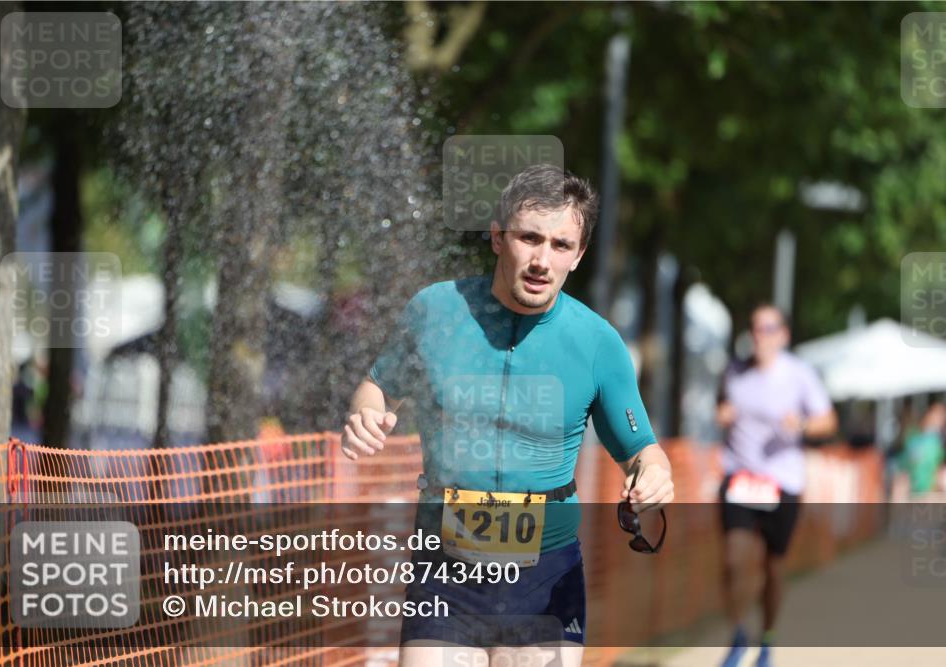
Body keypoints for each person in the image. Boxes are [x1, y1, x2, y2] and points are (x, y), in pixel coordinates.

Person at [342, 164, 674, 667]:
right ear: (498, 237)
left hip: (546, 578)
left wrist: (654, 476)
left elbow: (641, 450)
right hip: (444, 570)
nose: (542, 260)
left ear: (579, 255)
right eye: (529, 238)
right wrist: (365, 415)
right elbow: (377, 389)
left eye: (560, 245)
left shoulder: (597, 343)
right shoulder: (435, 311)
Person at [715, 304, 837, 667]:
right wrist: (722, 413)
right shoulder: (734, 372)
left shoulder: (800, 374)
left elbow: (828, 421)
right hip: (739, 477)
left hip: (782, 482)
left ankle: (767, 637)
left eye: (768, 329)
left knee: (773, 567)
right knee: (734, 558)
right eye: (755, 328)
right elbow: (721, 406)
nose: (760, 336)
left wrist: (801, 425)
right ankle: (738, 634)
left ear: (783, 335)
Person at [899, 403, 946, 495]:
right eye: (936, 416)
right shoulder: (913, 436)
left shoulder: (936, 440)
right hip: (913, 487)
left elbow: (938, 465)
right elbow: (905, 465)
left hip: (928, 488)